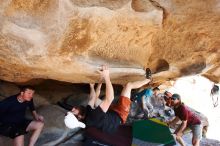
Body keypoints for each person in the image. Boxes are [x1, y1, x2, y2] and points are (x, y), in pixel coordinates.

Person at [71, 65, 152, 133]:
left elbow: (93, 97)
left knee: (95, 100)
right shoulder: (93, 117)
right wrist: (106, 76)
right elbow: (110, 98)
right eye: (73, 111)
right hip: (120, 114)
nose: (73, 108)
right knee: (128, 86)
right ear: (79, 117)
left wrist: (95, 84)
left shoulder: (86, 113)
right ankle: (148, 80)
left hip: (110, 113)